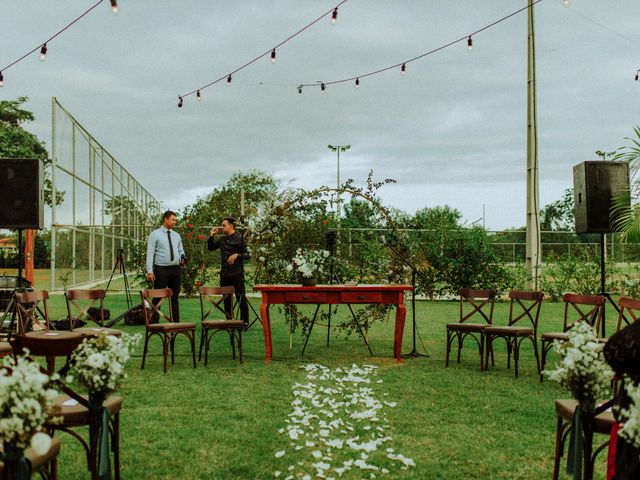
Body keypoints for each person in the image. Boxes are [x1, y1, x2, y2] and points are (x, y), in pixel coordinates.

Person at [207, 216, 250, 324]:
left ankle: (245, 322)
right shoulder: (222, 239)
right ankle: (229, 321)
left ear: (231, 226)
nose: (222, 227)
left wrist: (237, 255)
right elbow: (211, 247)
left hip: (237, 274)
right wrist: (211, 235)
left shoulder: (239, 238)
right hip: (225, 274)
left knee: (241, 297)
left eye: (224, 225)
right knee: (226, 298)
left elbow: (247, 255)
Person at [146, 210, 185, 321]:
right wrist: (149, 270)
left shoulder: (177, 235)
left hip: (176, 270)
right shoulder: (155, 234)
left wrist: (183, 258)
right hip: (161, 270)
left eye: (175, 220)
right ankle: (154, 322)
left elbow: (181, 251)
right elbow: (150, 253)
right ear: (165, 219)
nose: (174, 222)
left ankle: (176, 323)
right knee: (158, 296)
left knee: (174, 297)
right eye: (172, 220)